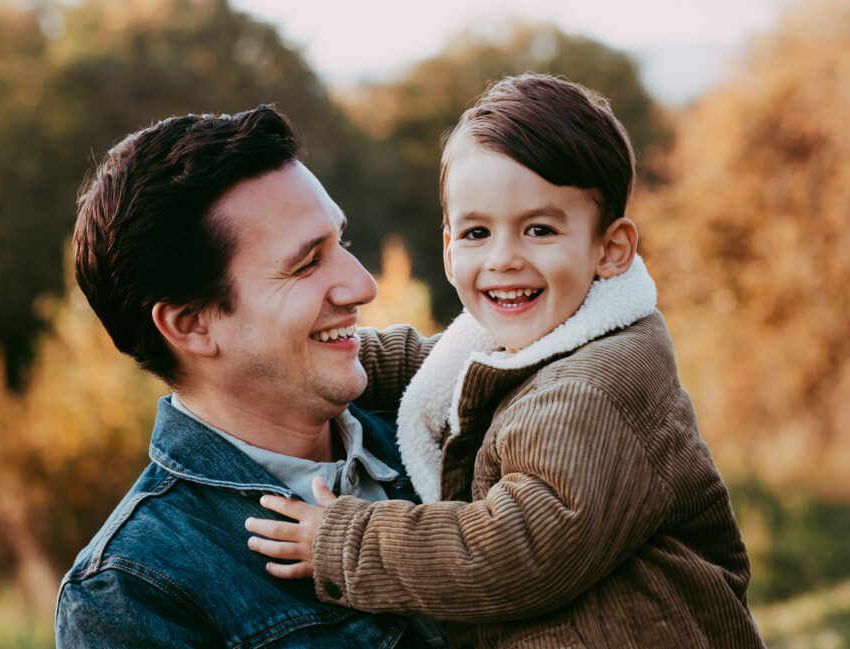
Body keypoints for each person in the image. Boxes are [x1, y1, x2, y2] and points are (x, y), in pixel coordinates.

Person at [246, 74, 766, 648]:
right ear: (448, 249)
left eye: (539, 230)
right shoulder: (540, 341)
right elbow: (433, 365)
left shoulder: (595, 388)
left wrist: (351, 543)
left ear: (610, 249)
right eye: (476, 232)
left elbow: (517, 551)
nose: (503, 259)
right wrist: (317, 349)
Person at [55, 105, 444, 648]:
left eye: (343, 243)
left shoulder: (448, 432)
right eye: (307, 264)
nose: (362, 286)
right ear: (191, 325)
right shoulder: (132, 591)